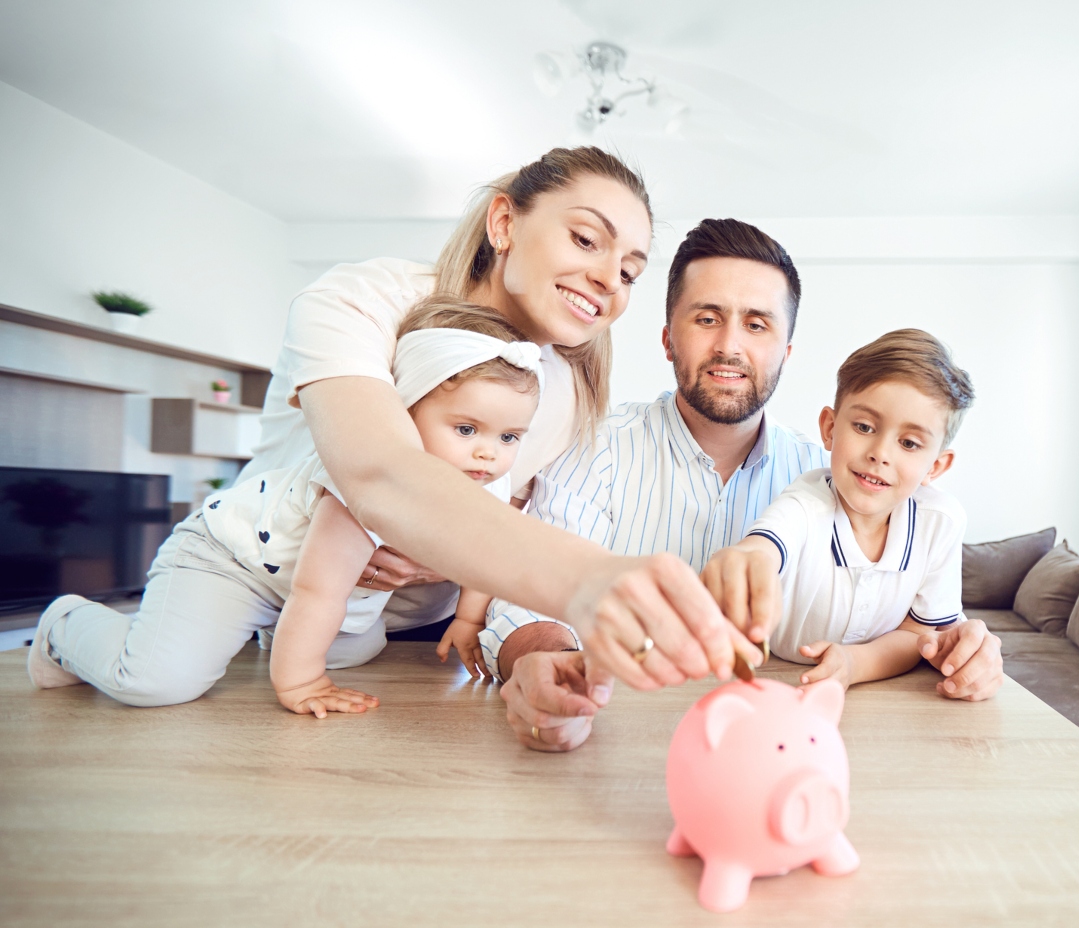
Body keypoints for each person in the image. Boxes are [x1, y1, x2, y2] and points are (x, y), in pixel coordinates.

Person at [238, 147, 756, 693]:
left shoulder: (567, 389)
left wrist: (443, 565)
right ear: (504, 222)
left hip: (423, 646)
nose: (609, 278)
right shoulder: (357, 302)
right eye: (585, 240)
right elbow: (378, 473)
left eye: (629, 271)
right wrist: (587, 578)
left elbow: (503, 510)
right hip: (274, 613)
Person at [28, 304, 540, 711]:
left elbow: (486, 554)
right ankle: (65, 624)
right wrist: (300, 683)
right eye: (467, 429)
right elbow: (318, 590)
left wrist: (470, 619)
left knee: (355, 648)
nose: (488, 453)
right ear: (402, 413)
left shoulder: (485, 480)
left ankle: (271, 632)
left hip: (303, 584)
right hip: (231, 561)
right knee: (156, 683)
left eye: (509, 436)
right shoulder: (364, 478)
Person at [483, 219, 822, 751]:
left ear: (787, 352)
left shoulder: (824, 475)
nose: (729, 346)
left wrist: (957, 643)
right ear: (668, 339)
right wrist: (545, 661)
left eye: (757, 325)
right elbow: (526, 597)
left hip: (779, 748)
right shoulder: (596, 448)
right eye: (707, 318)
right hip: (620, 747)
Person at [702, 329, 1003, 700]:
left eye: (909, 443)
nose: (880, 453)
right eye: (864, 427)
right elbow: (763, 547)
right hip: (777, 687)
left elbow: (918, 634)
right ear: (829, 428)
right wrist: (742, 558)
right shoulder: (806, 503)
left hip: (878, 699)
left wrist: (854, 663)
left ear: (936, 466)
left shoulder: (939, 521)